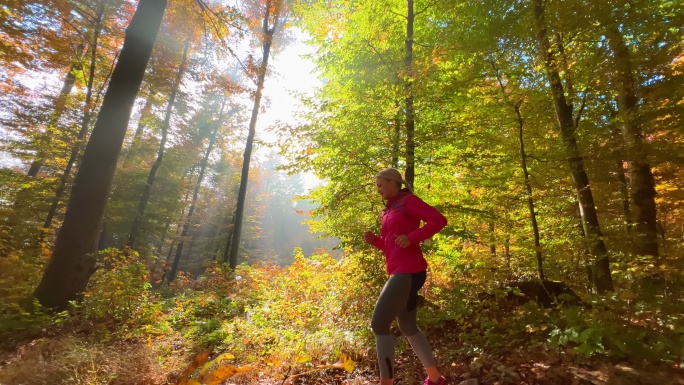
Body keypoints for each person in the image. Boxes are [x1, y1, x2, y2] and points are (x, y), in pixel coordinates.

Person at [363, 168, 448, 385]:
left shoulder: (408, 201)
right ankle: (436, 378)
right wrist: (375, 240)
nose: (378, 189)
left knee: (379, 326)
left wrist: (412, 237)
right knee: (408, 326)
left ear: (393, 182)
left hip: (408, 272)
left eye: (380, 185)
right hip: (402, 270)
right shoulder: (388, 210)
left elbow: (438, 220)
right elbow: (392, 245)